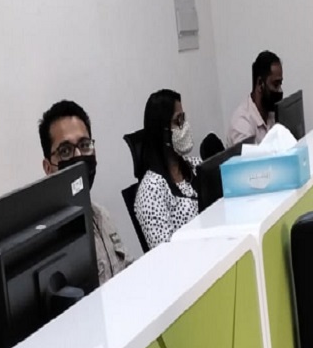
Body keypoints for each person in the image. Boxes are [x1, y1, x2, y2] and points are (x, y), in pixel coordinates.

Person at [38, 100, 133, 284]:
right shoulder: (49, 240)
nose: (79, 156)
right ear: (48, 168)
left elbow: (129, 270)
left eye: (84, 145)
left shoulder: (102, 215)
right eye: (65, 151)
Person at [134, 89, 200, 249]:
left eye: (183, 118)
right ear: (161, 130)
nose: (184, 127)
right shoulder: (151, 191)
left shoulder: (196, 166)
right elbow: (165, 253)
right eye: (178, 121)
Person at [227, 50, 283, 146]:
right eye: (275, 84)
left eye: (280, 84)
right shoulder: (242, 124)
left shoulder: (271, 113)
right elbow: (250, 155)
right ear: (260, 83)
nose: (280, 90)